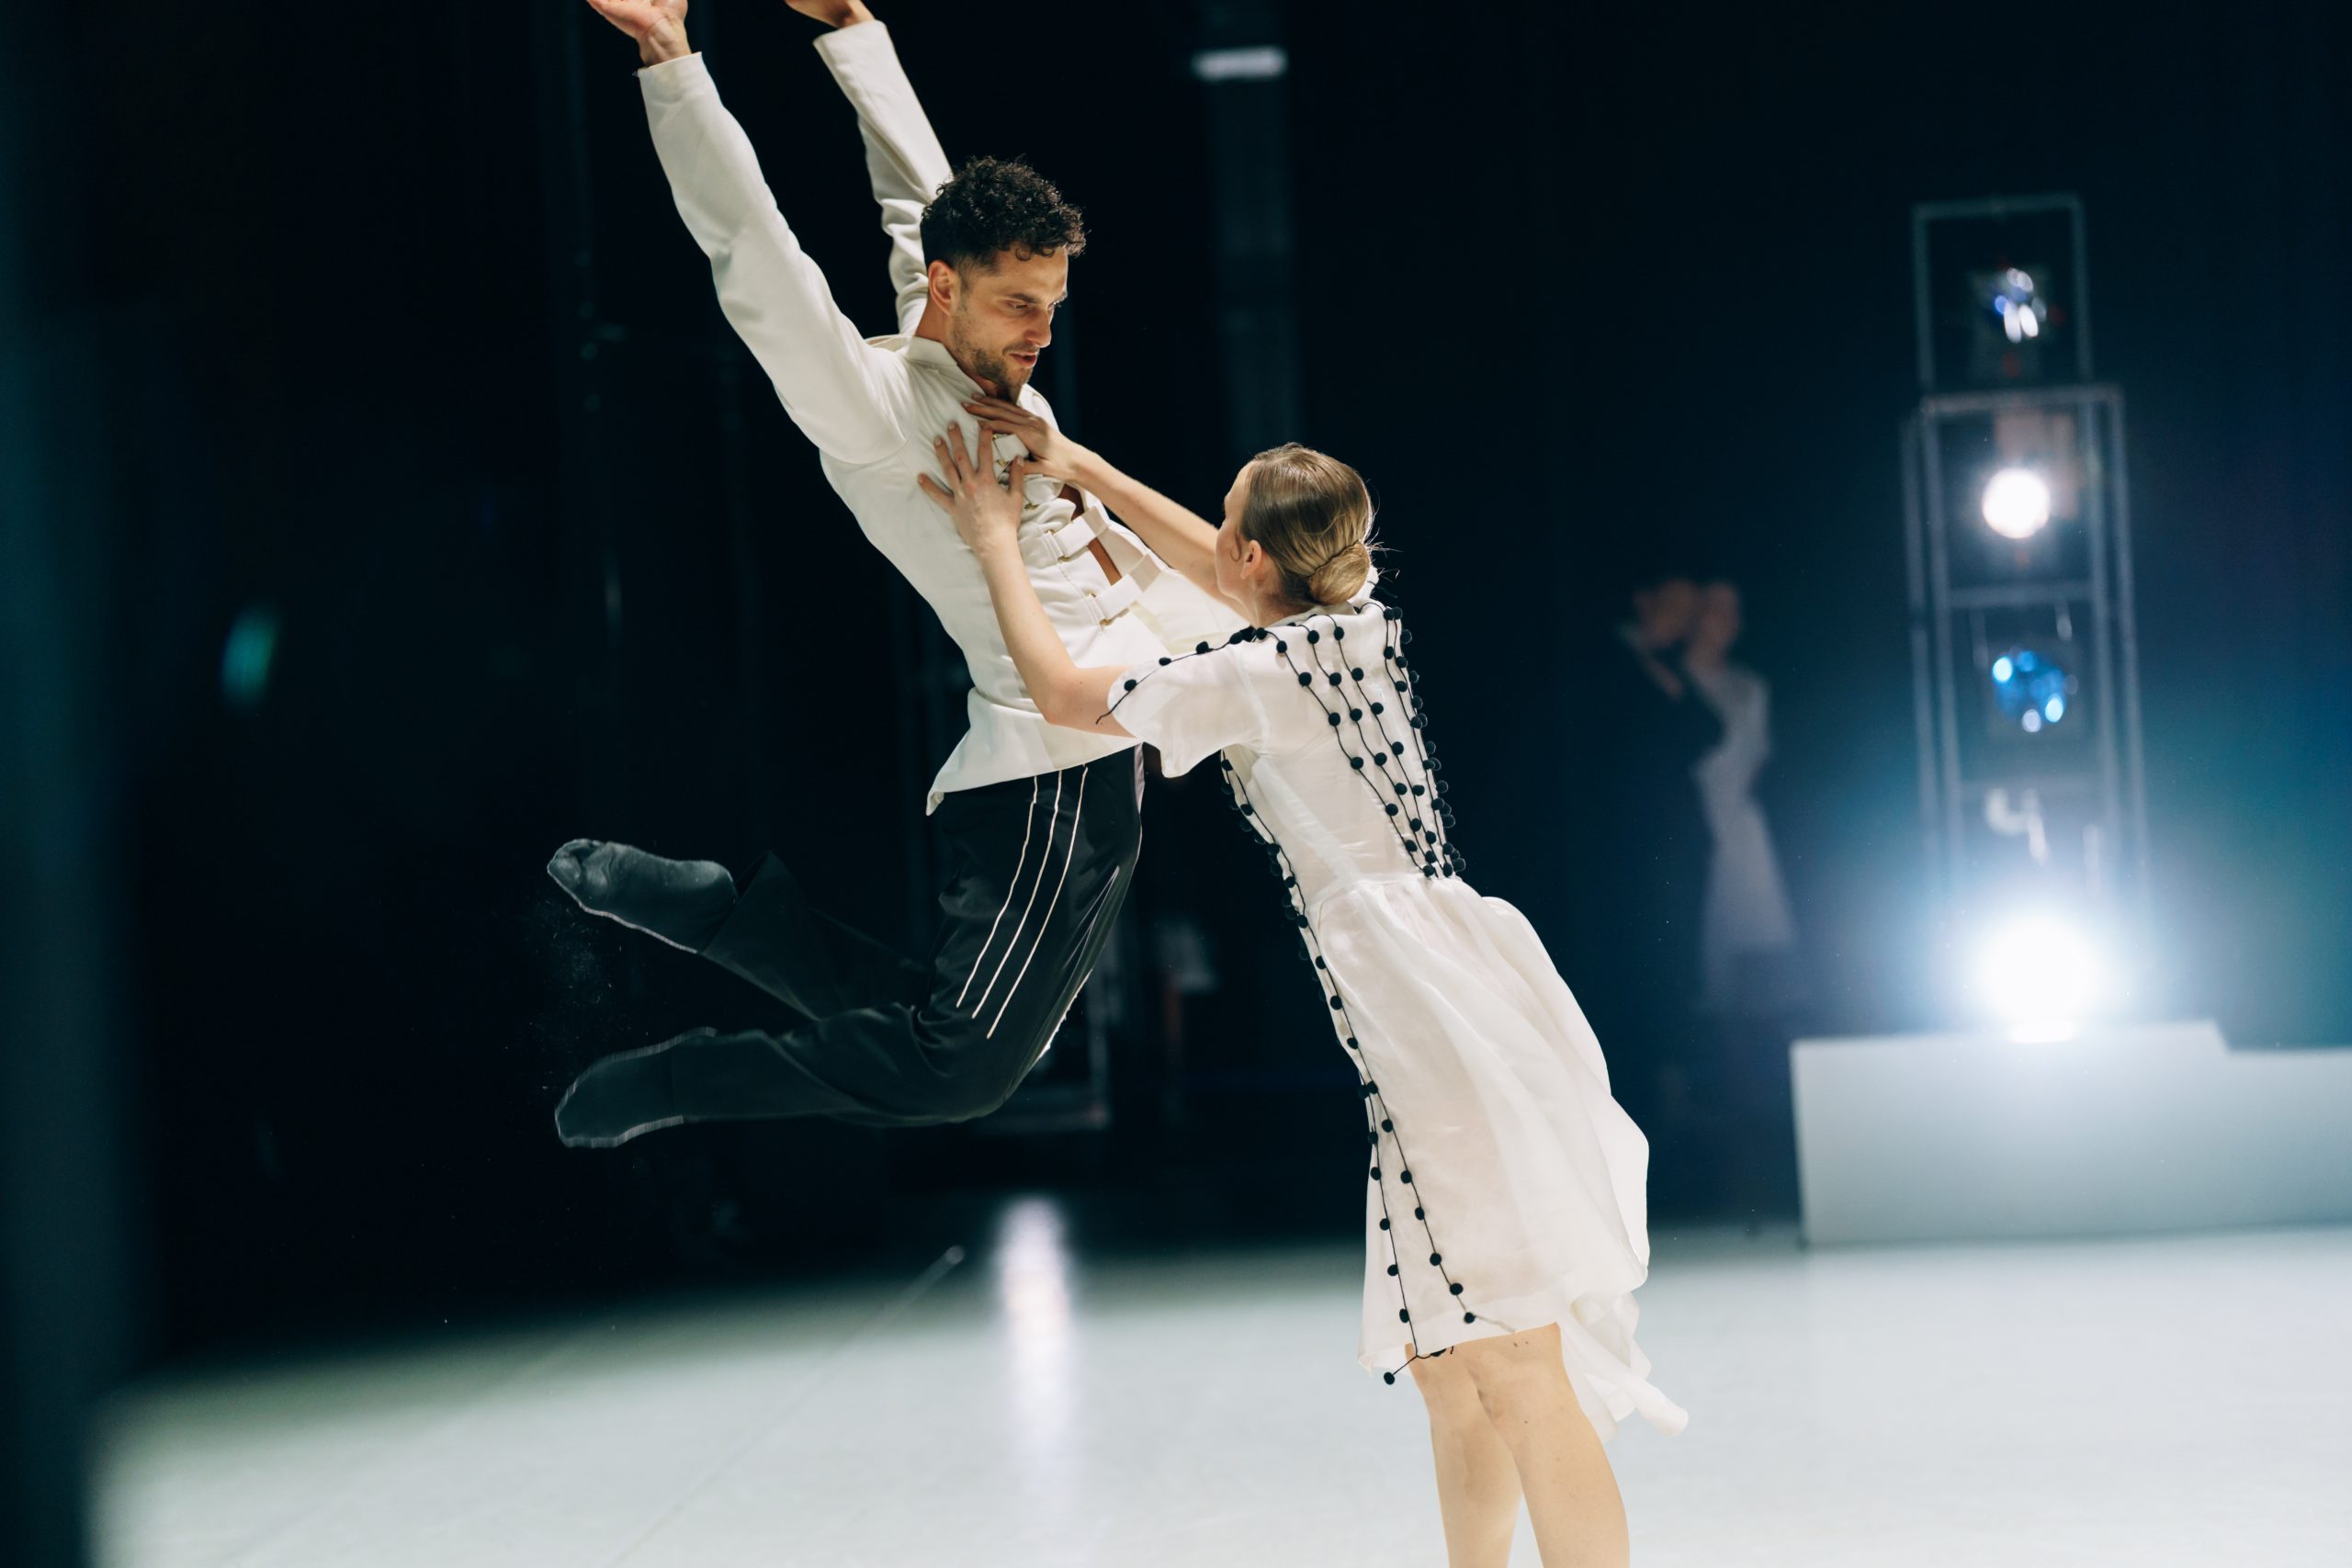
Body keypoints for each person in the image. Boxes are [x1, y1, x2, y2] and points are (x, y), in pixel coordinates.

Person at [922, 403, 1687, 1568]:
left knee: (1518, 1363)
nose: (1215, 537)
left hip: (1431, 1025)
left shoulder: (1254, 675)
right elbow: (1221, 568)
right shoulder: (1357, 620)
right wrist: (1083, 468)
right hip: (1447, 994)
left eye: (1227, 522)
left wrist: (990, 539)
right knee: (1449, 1369)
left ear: (1253, 557)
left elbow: (1066, 694)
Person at [548, 0, 1243, 1146]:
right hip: (1057, 772)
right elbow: (753, 252)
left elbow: (924, 192)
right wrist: (671, 60)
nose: (1040, 333)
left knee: (950, 1040)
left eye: (1051, 307)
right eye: (1019, 306)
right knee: (958, 1067)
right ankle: (680, 1080)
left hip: (1077, 759)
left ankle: (731, 922)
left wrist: (855, 31)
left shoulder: (989, 364)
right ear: (946, 290)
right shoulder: (875, 415)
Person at [1682, 581, 1800, 1016]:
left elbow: (1757, 759)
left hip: (1742, 831)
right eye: (1717, 607)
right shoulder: (1674, 680)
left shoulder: (1751, 687)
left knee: (1754, 956)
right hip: (1691, 830)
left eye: (1735, 610)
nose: (1727, 620)